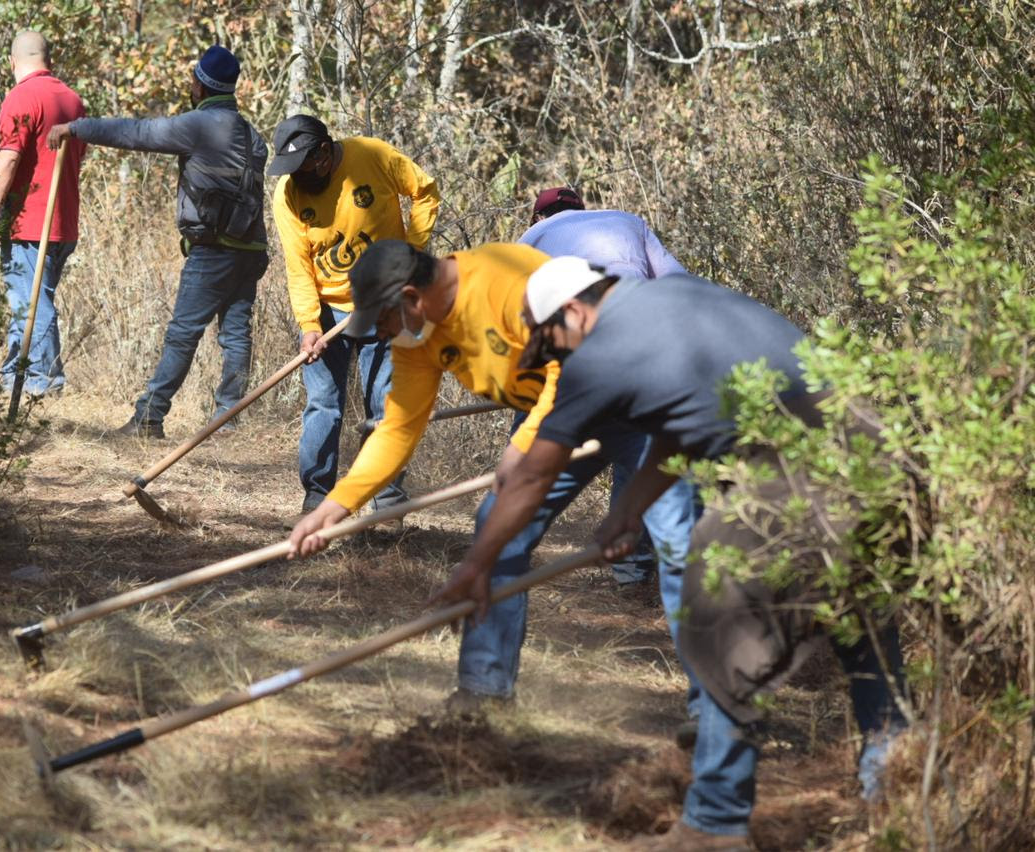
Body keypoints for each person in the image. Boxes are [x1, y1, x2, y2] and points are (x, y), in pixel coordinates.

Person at [433, 256, 908, 849]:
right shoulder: (679, 298)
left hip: (791, 481)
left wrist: (476, 565)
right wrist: (628, 509)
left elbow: (530, 478)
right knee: (864, 628)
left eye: (553, 345)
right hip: (876, 458)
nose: (557, 362)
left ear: (575, 312)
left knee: (719, 633)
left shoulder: (600, 354)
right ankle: (898, 790)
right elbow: (675, 419)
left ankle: (714, 824)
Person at [287, 240, 698, 717]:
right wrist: (333, 510)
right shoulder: (417, 338)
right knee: (498, 531)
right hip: (558, 419)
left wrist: (523, 448)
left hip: (633, 399)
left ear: (411, 298)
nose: (379, 334)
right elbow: (398, 428)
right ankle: (483, 693)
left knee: (678, 538)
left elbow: (570, 366)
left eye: (381, 320)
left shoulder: (505, 279)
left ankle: (712, 707)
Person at [47, 45, 269, 439]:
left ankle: (149, 417)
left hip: (214, 249)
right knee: (236, 335)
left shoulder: (201, 125)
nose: (190, 85)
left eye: (192, 79)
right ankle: (227, 421)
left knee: (183, 333)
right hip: (250, 249)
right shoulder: (252, 134)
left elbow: (138, 133)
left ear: (201, 86)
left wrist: (78, 127)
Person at [520, 185, 693, 590]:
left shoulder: (533, 237)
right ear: (581, 208)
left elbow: (522, 305)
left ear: (538, 218)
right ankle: (632, 573)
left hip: (581, 346)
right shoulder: (628, 221)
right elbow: (678, 282)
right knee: (638, 453)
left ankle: (509, 550)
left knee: (533, 443)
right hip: (644, 339)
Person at [267, 114, 440, 517]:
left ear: (325, 153)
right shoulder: (287, 195)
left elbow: (425, 191)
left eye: (304, 166)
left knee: (386, 401)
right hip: (330, 311)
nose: (298, 177)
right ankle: (316, 494)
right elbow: (299, 267)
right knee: (323, 402)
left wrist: (412, 253)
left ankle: (387, 496)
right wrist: (310, 325)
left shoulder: (371, 155)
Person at [0, 30, 86, 398]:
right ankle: (16, 381)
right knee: (29, 300)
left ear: (12, 62)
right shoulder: (73, 100)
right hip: (64, 222)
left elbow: (8, 160)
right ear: (50, 60)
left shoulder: (20, 97)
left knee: (31, 305)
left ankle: (43, 384)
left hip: (31, 223)